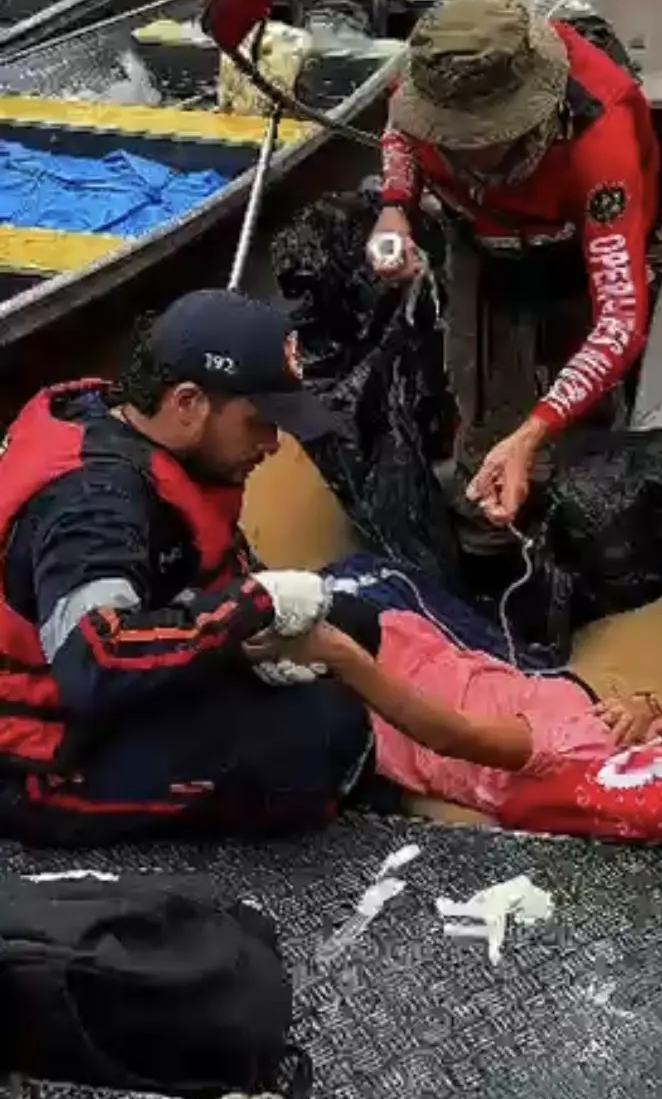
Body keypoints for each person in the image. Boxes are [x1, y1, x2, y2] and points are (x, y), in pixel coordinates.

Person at [0, 289, 385, 846]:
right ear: (187, 403)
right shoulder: (93, 505)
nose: (273, 445)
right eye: (258, 422)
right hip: (44, 754)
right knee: (321, 737)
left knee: (353, 624)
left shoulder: (144, 436)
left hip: (117, 686)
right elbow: (95, 661)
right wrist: (253, 605)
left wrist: (254, 635)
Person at [247, 614, 662, 890]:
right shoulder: (617, 740)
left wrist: (345, 659)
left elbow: (454, 736)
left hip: (379, 691)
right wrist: (646, 704)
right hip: (419, 653)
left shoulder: (584, 749)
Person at [369, 0, 660, 525]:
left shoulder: (600, 136)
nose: (461, 147)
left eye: (479, 137)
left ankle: (571, 524)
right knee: (479, 395)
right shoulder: (427, 79)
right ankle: (485, 525)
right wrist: (395, 207)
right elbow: (399, 134)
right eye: (447, 133)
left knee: (580, 437)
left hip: (575, 258)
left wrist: (535, 430)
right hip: (480, 246)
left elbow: (619, 321)